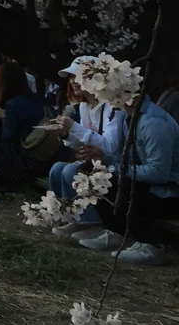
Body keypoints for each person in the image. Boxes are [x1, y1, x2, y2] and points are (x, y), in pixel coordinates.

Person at [75, 93, 179, 264]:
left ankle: (152, 244)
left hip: (169, 194)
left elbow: (159, 173)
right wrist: (104, 159)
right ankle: (119, 232)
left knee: (115, 182)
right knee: (87, 171)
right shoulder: (128, 119)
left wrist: (113, 169)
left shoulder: (154, 123)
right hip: (149, 186)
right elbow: (129, 160)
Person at [0, 62, 67, 202]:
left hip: (30, 162)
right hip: (46, 157)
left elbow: (8, 138)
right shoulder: (35, 99)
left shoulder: (14, 104)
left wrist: (3, 121)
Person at [47, 57, 127, 238]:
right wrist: (65, 135)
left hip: (113, 163)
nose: (73, 81)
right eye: (71, 77)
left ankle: (90, 222)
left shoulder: (112, 107)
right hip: (94, 160)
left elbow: (111, 147)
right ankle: (66, 216)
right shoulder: (84, 106)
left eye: (78, 76)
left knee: (69, 172)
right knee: (57, 169)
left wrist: (74, 127)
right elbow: (85, 142)